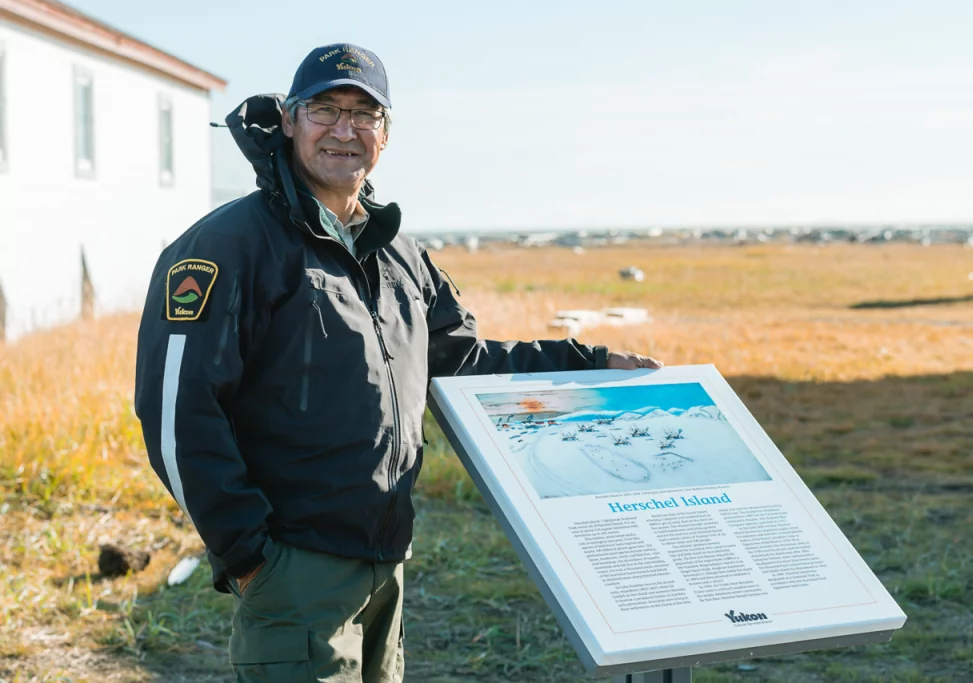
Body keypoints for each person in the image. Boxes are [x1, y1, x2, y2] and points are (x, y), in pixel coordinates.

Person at [134, 42, 662, 683]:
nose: (345, 130)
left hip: (386, 563)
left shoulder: (400, 255)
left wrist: (587, 363)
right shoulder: (226, 246)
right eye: (325, 110)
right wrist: (247, 556)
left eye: (365, 114)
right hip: (292, 569)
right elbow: (177, 414)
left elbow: (464, 360)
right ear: (291, 119)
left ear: (385, 133)